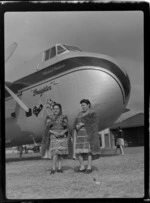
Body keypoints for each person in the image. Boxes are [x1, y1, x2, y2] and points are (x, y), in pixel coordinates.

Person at [73, 99, 101, 174]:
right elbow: (75, 124)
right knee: (79, 152)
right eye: (81, 105)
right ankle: (82, 167)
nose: (82, 107)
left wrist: (83, 124)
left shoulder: (92, 113)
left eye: (84, 105)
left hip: (88, 135)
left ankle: (89, 167)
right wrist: (77, 126)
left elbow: (94, 124)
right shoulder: (79, 114)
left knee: (89, 152)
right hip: (79, 135)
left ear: (88, 105)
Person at [48, 103, 69, 174]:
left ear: (60, 109)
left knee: (60, 153)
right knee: (55, 153)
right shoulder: (49, 117)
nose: (55, 110)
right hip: (54, 136)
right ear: (52, 110)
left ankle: (59, 168)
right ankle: (53, 168)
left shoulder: (64, 117)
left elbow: (67, 128)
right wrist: (54, 133)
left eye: (57, 109)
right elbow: (47, 129)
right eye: (54, 109)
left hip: (62, 136)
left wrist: (63, 132)